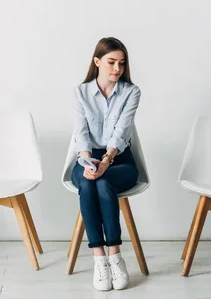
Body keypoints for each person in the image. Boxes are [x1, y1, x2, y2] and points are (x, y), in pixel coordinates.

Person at [71, 37, 141, 291]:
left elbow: (121, 132)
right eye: (111, 62)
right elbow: (81, 134)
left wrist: (107, 160)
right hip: (87, 156)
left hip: (119, 159)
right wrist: (90, 161)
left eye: (121, 63)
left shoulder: (131, 92)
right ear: (97, 61)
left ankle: (115, 255)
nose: (117, 69)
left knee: (103, 183)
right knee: (91, 184)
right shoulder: (80, 92)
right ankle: (100, 259)